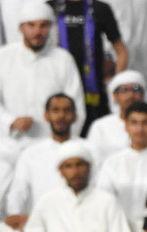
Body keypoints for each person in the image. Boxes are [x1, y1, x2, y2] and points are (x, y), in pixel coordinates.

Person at [0, 1, 85, 142]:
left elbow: (77, 107)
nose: (37, 32)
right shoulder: (3, 56)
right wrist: (10, 121)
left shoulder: (63, 59)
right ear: (21, 27)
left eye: (43, 25)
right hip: (9, 144)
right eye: (31, 25)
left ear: (50, 27)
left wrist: (63, 142)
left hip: (52, 144)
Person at [3, 93, 82, 232]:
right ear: (46, 116)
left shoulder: (89, 150)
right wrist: (15, 215)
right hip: (41, 228)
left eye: (67, 111)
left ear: (75, 116)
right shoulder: (31, 153)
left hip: (80, 225)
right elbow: (18, 191)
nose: (61, 116)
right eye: (56, 110)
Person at [96, 101, 147, 232]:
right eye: (134, 123)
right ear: (126, 126)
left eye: (145, 123)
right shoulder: (112, 163)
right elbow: (103, 199)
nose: (139, 129)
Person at [23, 140, 131, 232]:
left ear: (88, 168)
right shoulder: (48, 201)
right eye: (68, 166)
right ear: (61, 171)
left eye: (80, 165)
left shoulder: (107, 201)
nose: (75, 172)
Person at [48, 0, 128, 134]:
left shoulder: (100, 9)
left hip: (93, 92)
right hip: (58, 91)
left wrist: (115, 83)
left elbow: (121, 51)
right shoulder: (50, 8)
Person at [86, 70, 147, 167]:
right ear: (115, 96)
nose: (130, 95)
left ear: (143, 93)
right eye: (123, 90)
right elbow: (93, 161)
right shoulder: (100, 127)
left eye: (136, 89)